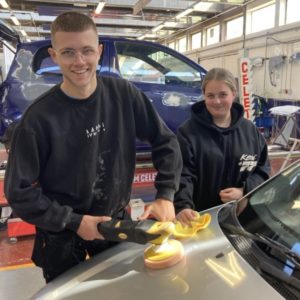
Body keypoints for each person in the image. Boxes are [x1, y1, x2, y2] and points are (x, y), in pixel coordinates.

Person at [4, 11, 182, 282]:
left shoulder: (124, 95)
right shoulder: (38, 119)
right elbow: (18, 193)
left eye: (87, 51)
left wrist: (165, 195)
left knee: (118, 290)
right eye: (68, 53)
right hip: (61, 234)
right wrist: (74, 222)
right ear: (54, 56)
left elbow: (166, 141)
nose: (79, 62)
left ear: (99, 51)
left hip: (116, 224)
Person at [174, 67, 270, 224]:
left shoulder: (250, 131)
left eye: (223, 94)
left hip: (242, 217)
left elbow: (263, 169)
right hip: (201, 219)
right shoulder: (187, 133)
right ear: (203, 96)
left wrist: (243, 190)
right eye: (210, 95)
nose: (216, 101)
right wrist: (183, 206)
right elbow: (183, 175)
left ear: (234, 93)